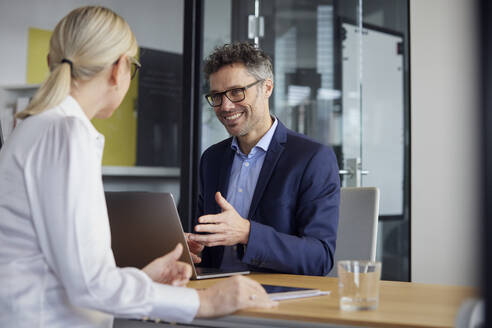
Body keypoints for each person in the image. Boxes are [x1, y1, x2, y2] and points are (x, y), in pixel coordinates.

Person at [0, 7, 275, 328]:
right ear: (119, 68)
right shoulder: (66, 133)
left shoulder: (34, 128)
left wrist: (141, 280)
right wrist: (203, 301)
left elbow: (68, 268)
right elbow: (89, 285)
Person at [187, 42, 340, 276]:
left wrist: (248, 233)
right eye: (217, 96)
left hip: (277, 297)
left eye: (237, 92)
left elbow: (319, 257)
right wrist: (195, 247)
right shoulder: (212, 159)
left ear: (267, 88)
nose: (226, 106)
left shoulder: (312, 158)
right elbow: (209, 242)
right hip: (215, 290)